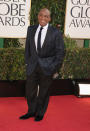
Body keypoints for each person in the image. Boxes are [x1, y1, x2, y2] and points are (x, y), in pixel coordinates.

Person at [19, 8, 64, 122]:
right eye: (41, 15)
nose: (43, 18)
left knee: (44, 92)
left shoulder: (56, 32)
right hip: (32, 66)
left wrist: (54, 68)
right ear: (38, 16)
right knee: (30, 91)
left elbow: (60, 52)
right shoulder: (31, 29)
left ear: (49, 18)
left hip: (47, 67)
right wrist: (27, 62)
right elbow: (28, 48)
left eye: (46, 16)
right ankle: (31, 111)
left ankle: (40, 113)